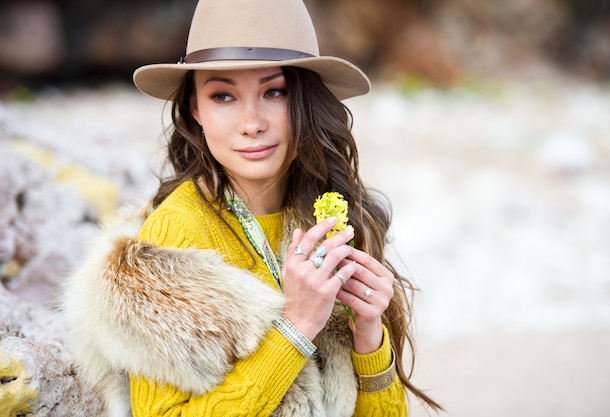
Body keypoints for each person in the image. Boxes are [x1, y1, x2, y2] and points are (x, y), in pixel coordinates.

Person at [61, 0, 441, 416]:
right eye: (223, 96)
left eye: (273, 92)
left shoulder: (328, 220)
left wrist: (369, 337)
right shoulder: (173, 240)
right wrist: (296, 326)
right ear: (196, 110)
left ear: (306, 101)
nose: (251, 122)